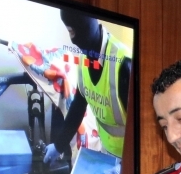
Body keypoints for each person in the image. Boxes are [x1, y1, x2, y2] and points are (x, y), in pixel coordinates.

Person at [44, 10, 133, 161]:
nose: (73, 40)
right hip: (106, 152)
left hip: (129, 158)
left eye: (74, 31)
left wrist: (128, 166)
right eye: (69, 31)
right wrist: (58, 146)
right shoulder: (84, 60)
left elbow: (140, 127)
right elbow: (78, 106)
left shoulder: (123, 64)